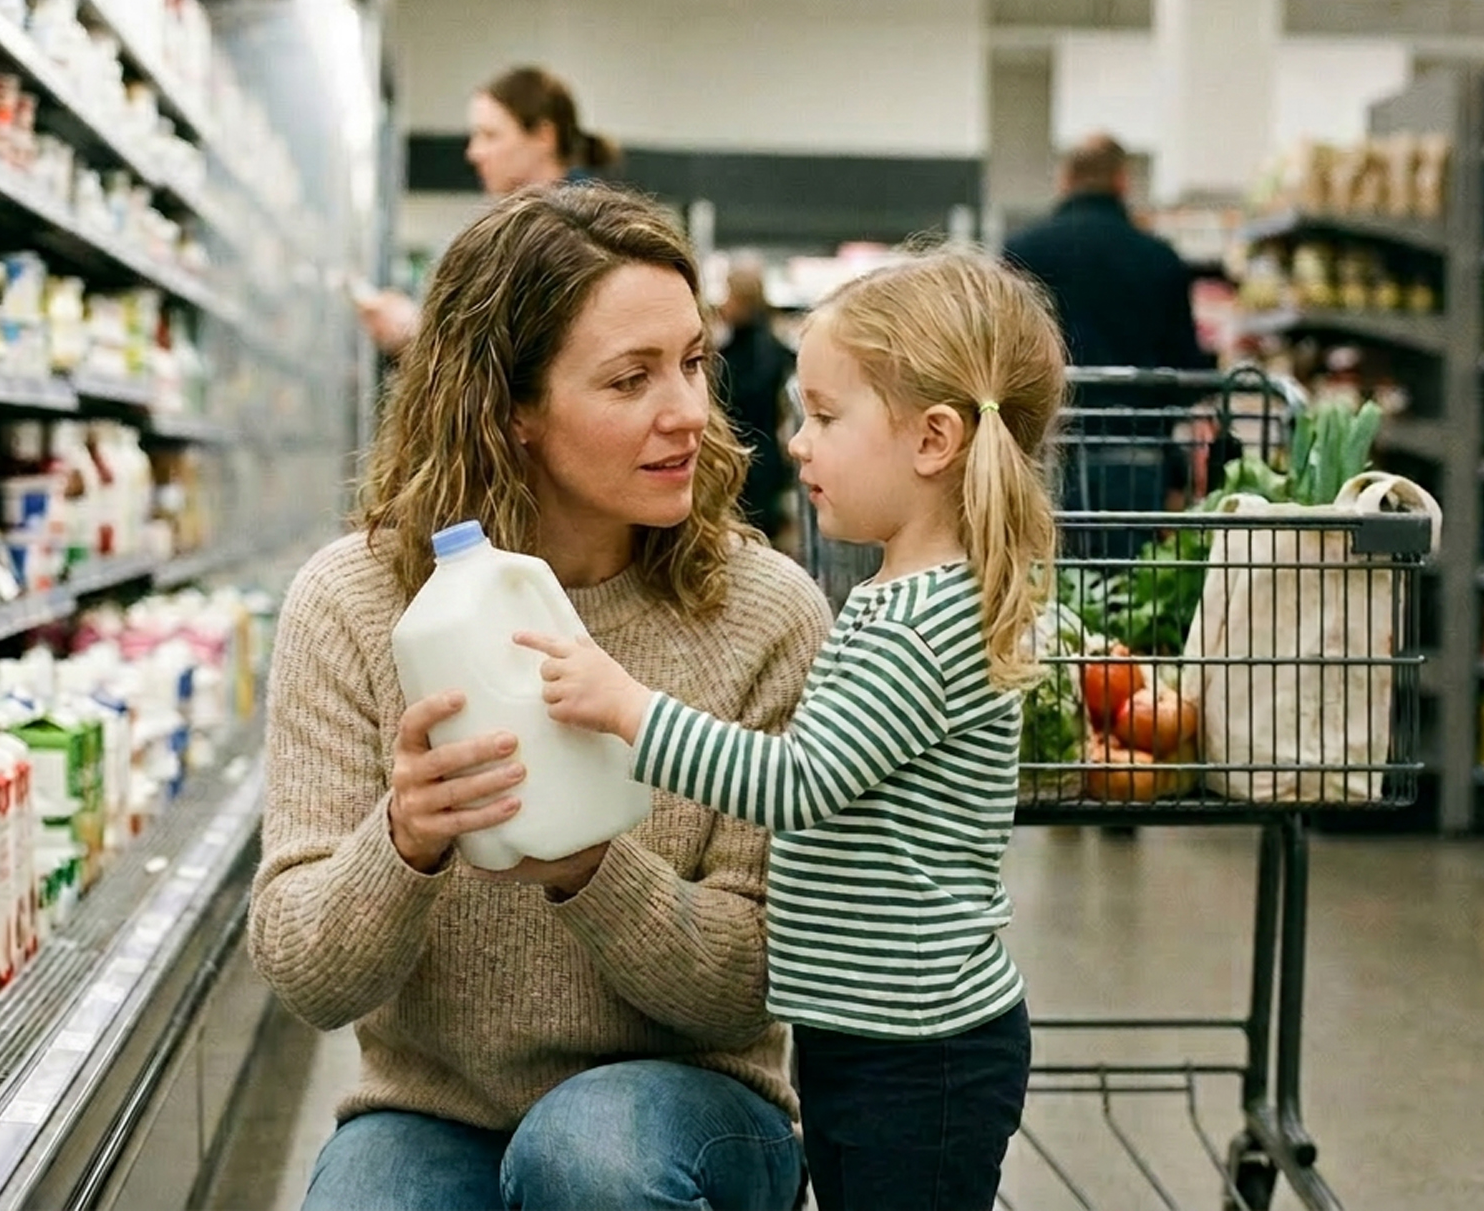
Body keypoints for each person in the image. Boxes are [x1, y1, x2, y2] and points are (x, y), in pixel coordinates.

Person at [252, 183, 832, 1211]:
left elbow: (756, 980)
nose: (687, 413)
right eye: (630, 379)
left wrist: (589, 866)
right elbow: (307, 973)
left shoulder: (761, 612)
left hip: (693, 1104)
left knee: (588, 1156)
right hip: (436, 1107)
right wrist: (404, 841)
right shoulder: (354, 603)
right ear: (510, 409)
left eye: (692, 363)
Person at [516, 246, 1062, 1211]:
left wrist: (629, 709)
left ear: (932, 440)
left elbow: (796, 782)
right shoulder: (906, 595)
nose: (798, 444)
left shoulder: (921, 624)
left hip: (920, 1051)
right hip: (869, 1027)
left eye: (826, 416)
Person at [1005, 133, 1210, 523]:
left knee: (1049, 555)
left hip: (1047, 452)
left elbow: (1005, 356)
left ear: (1065, 180)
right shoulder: (1160, 259)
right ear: (1121, 181)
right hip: (1137, 452)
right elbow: (1185, 366)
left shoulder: (1022, 252)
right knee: (1135, 561)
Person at [356, 66, 620, 355]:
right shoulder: (517, 228)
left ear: (544, 137)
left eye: (490, 135)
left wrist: (415, 331)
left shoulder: (584, 234)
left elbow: (528, 356)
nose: (474, 153)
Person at [716, 259, 797, 541]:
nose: (724, 304)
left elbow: (737, 403)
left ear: (743, 300)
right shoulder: (776, 349)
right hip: (765, 459)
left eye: (729, 295)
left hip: (748, 459)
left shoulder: (743, 356)